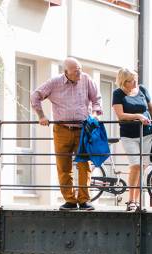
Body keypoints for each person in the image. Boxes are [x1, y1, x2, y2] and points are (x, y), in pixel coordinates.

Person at [31, 57, 102, 211]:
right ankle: (69, 200)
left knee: (85, 165)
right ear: (66, 72)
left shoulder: (86, 79)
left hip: (83, 129)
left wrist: (96, 114)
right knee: (64, 166)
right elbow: (35, 96)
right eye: (76, 71)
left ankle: (84, 200)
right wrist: (41, 116)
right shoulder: (54, 82)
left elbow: (96, 99)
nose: (79, 73)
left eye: (80, 69)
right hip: (62, 129)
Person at [112, 68, 152, 211]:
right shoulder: (118, 93)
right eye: (131, 80)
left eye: (136, 79)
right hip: (129, 135)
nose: (135, 82)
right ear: (124, 81)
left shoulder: (142, 90)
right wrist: (138, 116)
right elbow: (120, 115)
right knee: (135, 164)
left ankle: (138, 199)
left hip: (146, 133)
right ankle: (131, 200)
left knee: (143, 166)